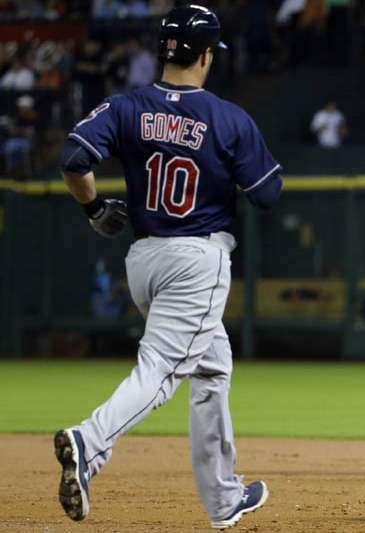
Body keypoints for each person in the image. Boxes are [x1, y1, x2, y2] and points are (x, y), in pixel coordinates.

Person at [54, 5, 282, 530]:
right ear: (206, 57)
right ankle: (89, 442)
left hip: (144, 261)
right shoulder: (227, 118)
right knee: (159, 371)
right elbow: (267, 193)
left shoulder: (125, 106)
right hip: (197, 260)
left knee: (212, 367)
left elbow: (73, 160)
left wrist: (93, 208)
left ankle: (224, 498)